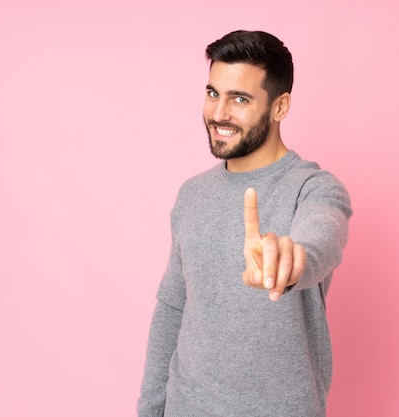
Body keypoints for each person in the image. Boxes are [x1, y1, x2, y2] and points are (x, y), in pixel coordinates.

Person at [137, 30, 353, 417]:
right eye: (213, 93)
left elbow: (323, 235)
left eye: (240, 98)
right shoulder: (192, 194)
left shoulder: (313, 188)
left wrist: (291, 259)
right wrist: (151, 410)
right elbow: (173, 307)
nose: (219, 113)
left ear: (280, 106)